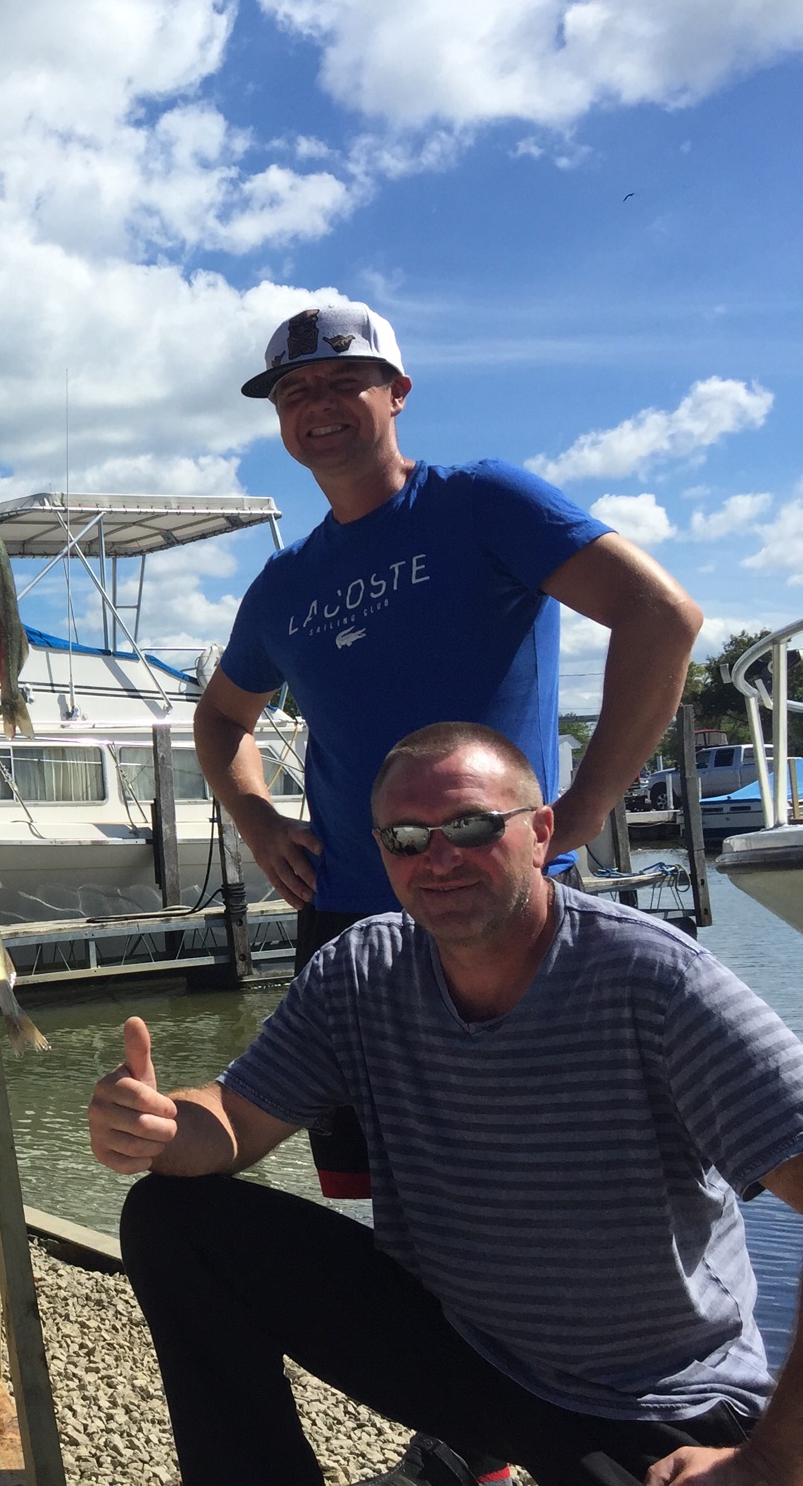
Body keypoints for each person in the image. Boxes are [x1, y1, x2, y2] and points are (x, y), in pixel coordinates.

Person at [91, 722, 803, 1486]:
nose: (437, 857)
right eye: (404, 837)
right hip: (464, 1348)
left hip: (641, 1397)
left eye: (469, 826)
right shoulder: (362, 970)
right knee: (174, 1221)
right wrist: (160, 1126)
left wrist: (770, 1460)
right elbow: (235, 1117)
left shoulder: (657, 983)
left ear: (540, 832)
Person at [197, 303, 701, 1192]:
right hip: (351, 917)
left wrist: (584, 808)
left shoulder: (480, 502)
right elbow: (220, 719)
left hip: (507, 898)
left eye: (344, 380)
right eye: (293, 390)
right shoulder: (282, 585)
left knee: (559, 1170)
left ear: (397, 393)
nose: (318, 403)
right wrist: (258, 821)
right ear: (279, 420)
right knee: (381, 1184)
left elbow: (662, 615)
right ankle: (407, 1335)